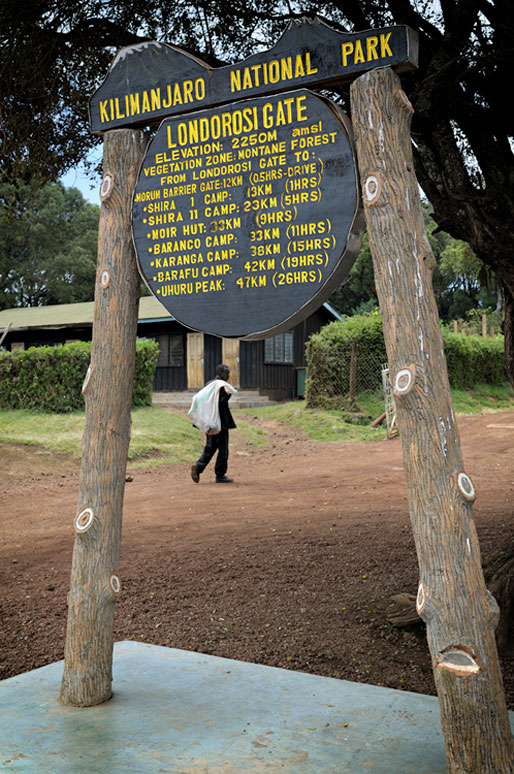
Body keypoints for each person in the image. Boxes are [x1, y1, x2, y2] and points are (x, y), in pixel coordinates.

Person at [191, 364, 236, 484]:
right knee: (223, 448)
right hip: (220, 422)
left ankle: (198, 466)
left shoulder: (209, 384)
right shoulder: (221, 386)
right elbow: (220, 402)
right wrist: (228, 395)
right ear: (221, 373)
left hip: (209, 422)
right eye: (227, 372)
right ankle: (220, 474)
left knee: (210, 447)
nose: (229, 375)